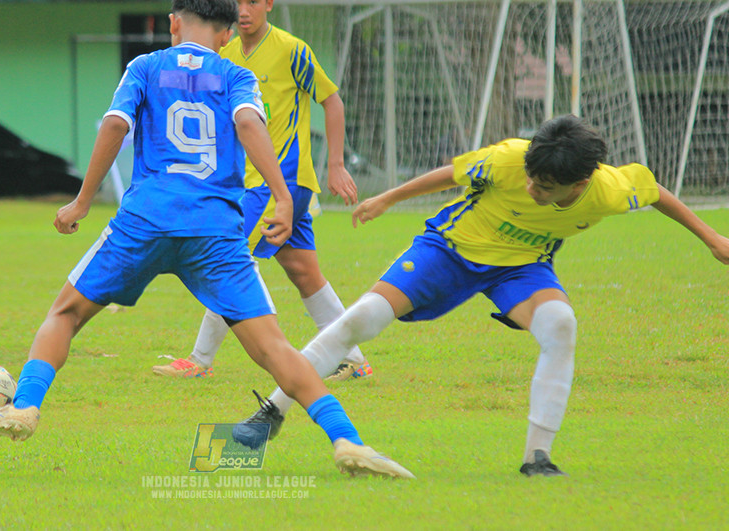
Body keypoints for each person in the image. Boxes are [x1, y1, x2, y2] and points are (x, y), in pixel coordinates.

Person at [0, 0, 412, 479]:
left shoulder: (144, 66)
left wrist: (82, 201)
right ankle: (347, 440)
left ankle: (25, 406)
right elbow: (249, 125)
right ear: (227, 34)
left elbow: (115, 125)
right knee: (273, 348)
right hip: (215, 231)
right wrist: (283, 197)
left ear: (173, 23)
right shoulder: (236, 74)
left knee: (66, 313)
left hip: (145, 221)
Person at [232, 114, 729, 476]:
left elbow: (657, 193)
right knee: (363, 318)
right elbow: (451, 173)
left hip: (521, 267)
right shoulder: (509, 157)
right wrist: (387, 198)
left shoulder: (609, 189)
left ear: (578, 185)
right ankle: (271, 412)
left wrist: (712, 239)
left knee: (561, 325)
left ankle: (538, 458)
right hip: (448, 251)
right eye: (530, 177)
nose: (531, 188)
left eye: (545, 187)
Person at [152, 0, 371, 382]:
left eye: (253, 1)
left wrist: (336, 164)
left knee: (228, 258)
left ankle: (199, 360)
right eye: (235, 1)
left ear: (269, 3)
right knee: (303, 271)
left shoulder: (291, 50)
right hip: (247, 182)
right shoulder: (224, 52)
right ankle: (354, 359)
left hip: (281, 182)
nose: (244, 10)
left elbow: (331, 101)